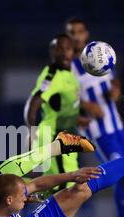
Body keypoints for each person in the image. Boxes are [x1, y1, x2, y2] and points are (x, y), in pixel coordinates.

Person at [66, 17, 124, 217]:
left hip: (117, 127)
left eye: (80, 31)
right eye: (72, 32)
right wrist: (87, 106)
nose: (76, 36)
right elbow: (67, 98)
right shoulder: (69, 65)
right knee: (120, 172)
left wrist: (116, 90)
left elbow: (113, 82)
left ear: (86, 33)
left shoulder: (100, 53)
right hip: (96, 131)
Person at [24, 33, 90, 194]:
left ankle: (13, 190)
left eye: (67, 48)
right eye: (58, 48)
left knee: (64, 192)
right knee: (65, 191)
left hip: (68, 138)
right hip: (54, 138)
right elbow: (32, 104)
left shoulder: (70, 75)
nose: (63, 52)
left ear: (73, 52)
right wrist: (32, 135)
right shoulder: (52, 75)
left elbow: (63, 106)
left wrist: (76, 118)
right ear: (52, 52)